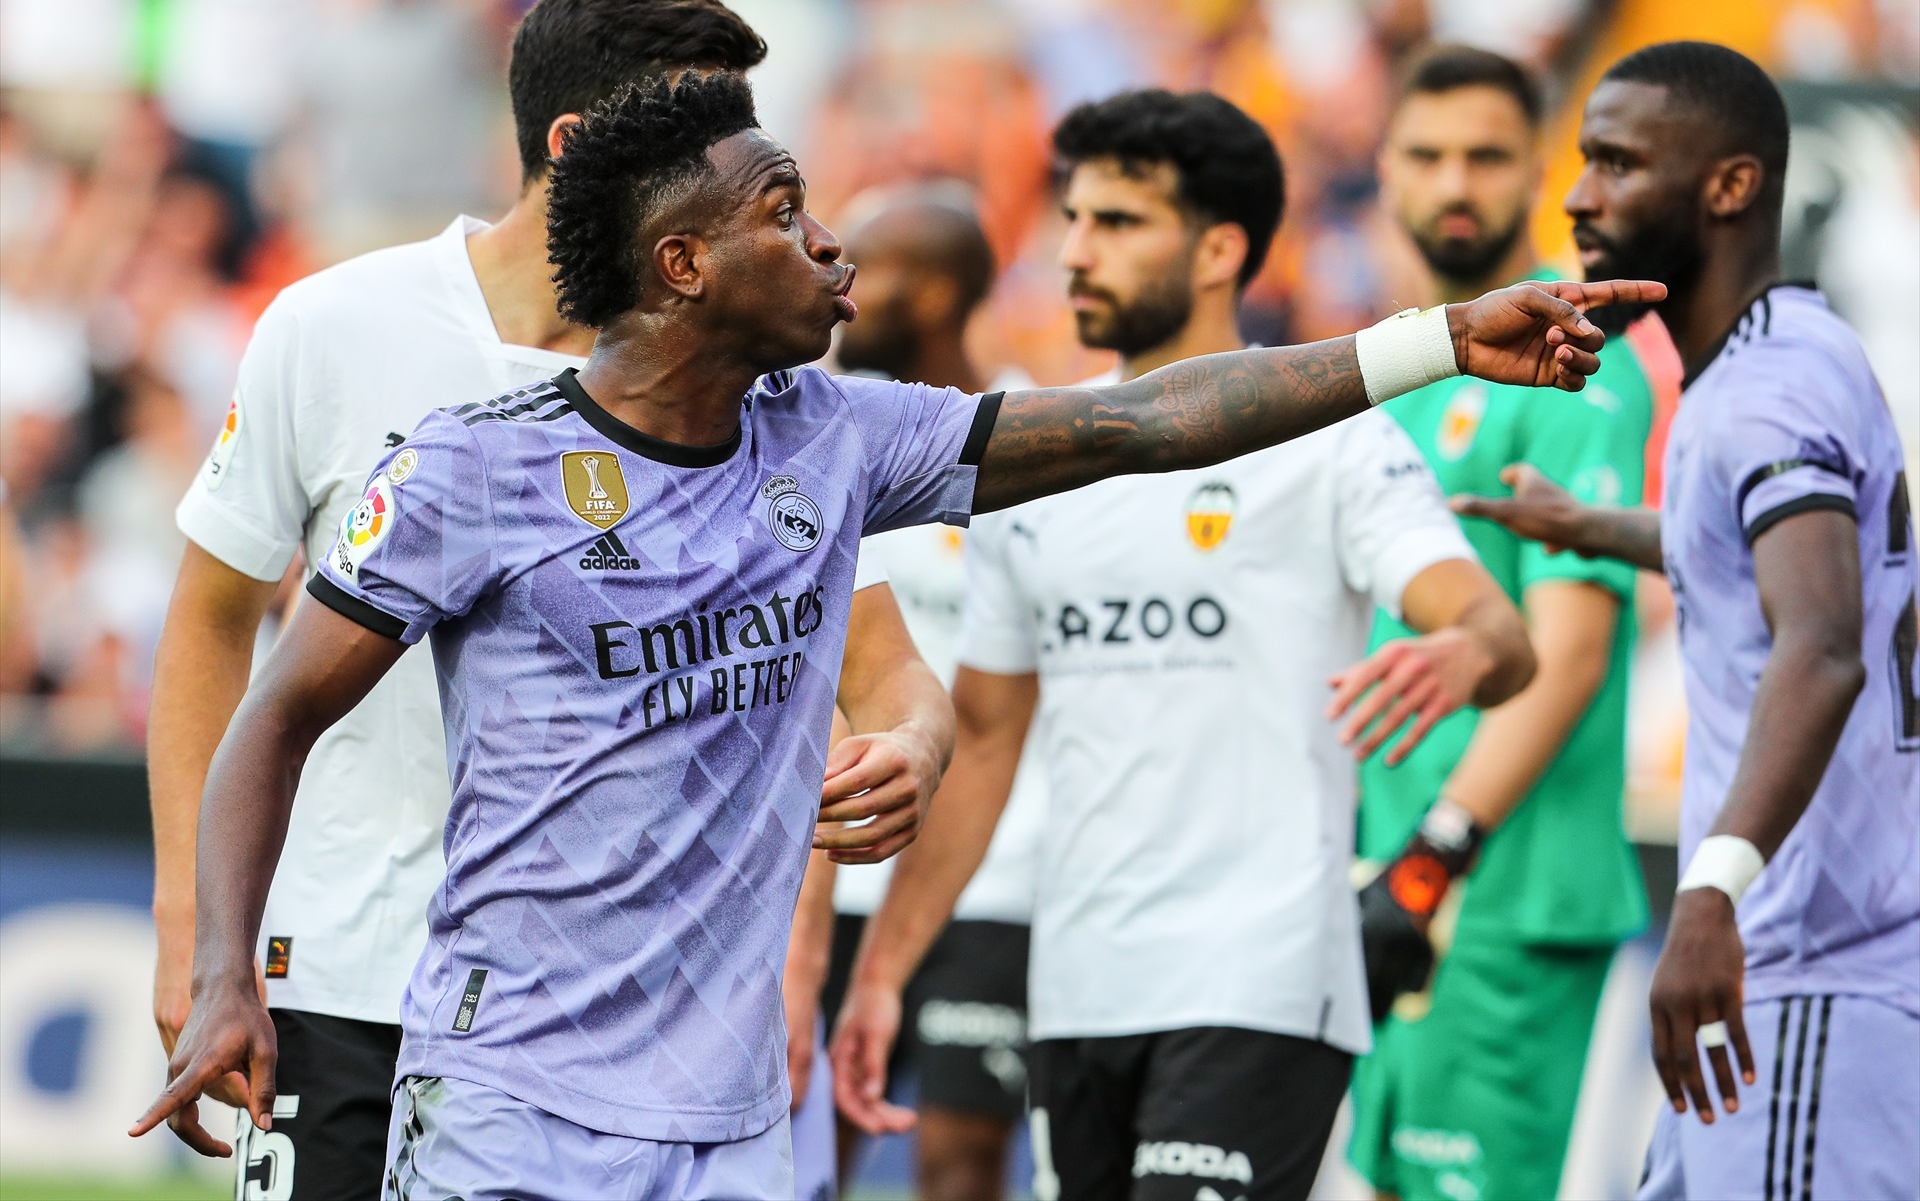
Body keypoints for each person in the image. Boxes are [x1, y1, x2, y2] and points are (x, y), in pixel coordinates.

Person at [132, 69, 1657, 1200]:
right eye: (788, 218)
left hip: (729, 1128)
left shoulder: (832, 437)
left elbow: (1138, 420)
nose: (838, 248)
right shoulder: (474, 466)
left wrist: (1431, 343)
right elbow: (273, 714)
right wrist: (218, 971)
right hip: (509, 1106)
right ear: (683, 266)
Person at [144, 0, 923, 1199]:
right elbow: (210, 623)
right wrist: (196, 931)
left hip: (616, 1026)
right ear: (577, 149)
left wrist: (909, 749)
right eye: (690, 135)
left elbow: (881, 668)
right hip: (344, 964)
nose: (729, 168)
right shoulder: (336, 325)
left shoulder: (746, 390)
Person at [828, 88, 1545, 1201]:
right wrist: (883, 975)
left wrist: (1464, 655)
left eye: (1116, 223)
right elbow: (982, 738)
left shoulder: (1335, 445)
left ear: (1220, 249)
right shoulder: (1040, 462)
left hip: (1260, 983)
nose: (1075, 252)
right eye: (1072, 218)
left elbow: (1499, 633)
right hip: (1078, 987)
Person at [1452, 40, 1919, 1201]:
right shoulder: (1782, 357)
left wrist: (1710, 892)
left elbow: (1820, 644)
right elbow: (1785, 563)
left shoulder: (1764, 390)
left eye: (1616, 161)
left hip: (1813, 966)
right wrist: (1603, 529)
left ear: (1730, 186)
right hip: (1789, 968)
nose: (1578, 193)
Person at [1345, 45, 1656, 1201]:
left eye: (1486, 154)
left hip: (1493, 889)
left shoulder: (1567, 365)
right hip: (1397, 882)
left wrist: (1432, 860)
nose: (1454, 181)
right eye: (1427, 155)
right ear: (1383, 170)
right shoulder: (1398, 363)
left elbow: (1568, 657)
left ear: (1539, 169)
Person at [826, 185, 1046, 1200]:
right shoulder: (811, 440)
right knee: (806, 1146)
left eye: (873, 271)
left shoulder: (1036, 441)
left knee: (959, 1164)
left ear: (945, 290)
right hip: (832, 873)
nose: (840, 288)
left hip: (991, 878)